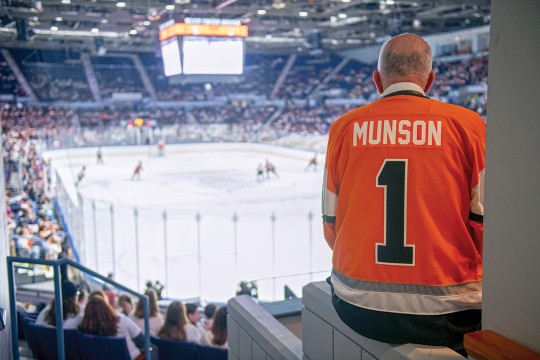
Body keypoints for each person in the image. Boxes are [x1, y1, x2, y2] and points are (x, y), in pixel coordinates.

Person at [322, 33, 485, 348]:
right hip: (450, 312)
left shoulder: (343, 128)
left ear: (377, 81)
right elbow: (484, 224)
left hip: (356, 307)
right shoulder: (468, 125)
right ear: (430, 80)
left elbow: (332, 226)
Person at [78, 296, 156, 360]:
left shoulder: (84, 331)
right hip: (134, 357)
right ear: (107, 308)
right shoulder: (122, 321)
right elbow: (144, 342)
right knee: (153, 348)